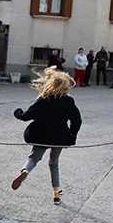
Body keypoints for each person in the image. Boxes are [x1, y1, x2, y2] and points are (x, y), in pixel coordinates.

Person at [11, 68, 82, 205]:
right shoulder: (68, 101)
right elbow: (77, 120)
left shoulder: (44, 99)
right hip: (59, 138)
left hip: (41, 136)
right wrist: (71, 135)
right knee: (54, 163)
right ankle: (56, 194)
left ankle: (25, 171)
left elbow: (27, 115)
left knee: (34, 158)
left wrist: (17, 112)